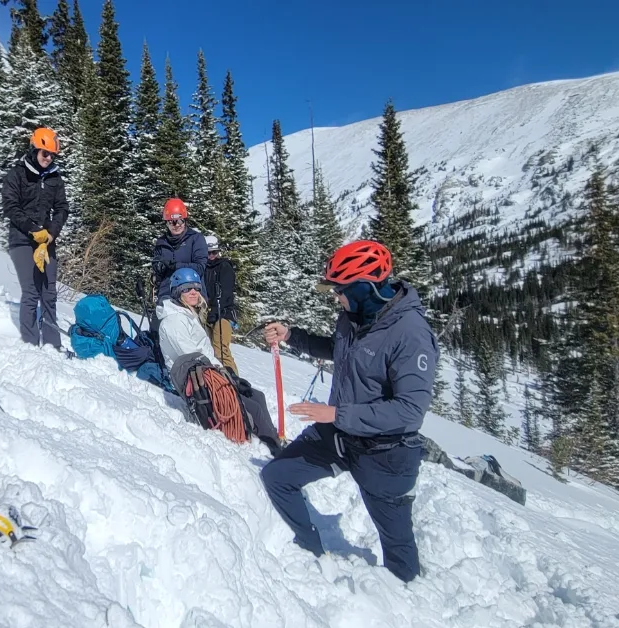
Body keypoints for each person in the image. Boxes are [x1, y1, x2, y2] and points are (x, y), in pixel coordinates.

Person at [259, 240, 438, 583]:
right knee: (277, 477)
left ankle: (408, 604)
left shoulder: (410, 334)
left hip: (384, 454)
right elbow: (339, 350)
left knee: (400, 558)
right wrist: (291, 335)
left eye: (340, 290)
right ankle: (310, 553)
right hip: (340, 436)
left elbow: (409, 412)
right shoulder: (353, 317)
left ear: (363, 289)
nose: (335, 297)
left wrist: (336, 415)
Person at [157, 269, 281, 454]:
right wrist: (223, 376)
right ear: (177, 291)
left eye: (196, 288)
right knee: (254, 408)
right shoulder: (174, 320)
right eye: (187, 288)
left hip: (208, 373)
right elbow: (191, 356)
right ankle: (275, 449)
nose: (193, 292)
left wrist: (227, 373)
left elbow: (203, 353)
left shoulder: (187, 315)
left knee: (258, 396)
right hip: (198, 381)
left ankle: (271, 438)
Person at [3, 127, 69, 351]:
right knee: (31, 291)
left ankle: (52, 345)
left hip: (46, 240)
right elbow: (10, 206)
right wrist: (32, 230)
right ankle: (30, 344)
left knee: (49, 293)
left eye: (52, 155)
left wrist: (50, 233)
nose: (48, 159)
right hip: (21, 239)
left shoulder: (55, 179)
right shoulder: (18, 174)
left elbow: (61, 208)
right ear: (34, 149)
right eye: (45, 154)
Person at [151, 198, 208, 297]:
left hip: (191, 294)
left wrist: (176, 266)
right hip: (167, 294)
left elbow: (200, 267)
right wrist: (159, 267)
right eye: (172, 222)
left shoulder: (196, 239)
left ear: (185, 221)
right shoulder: (161, 242)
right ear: (167, 223)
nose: (177, 225)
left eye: (180, 221)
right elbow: (157, 272)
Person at [202, 234, 238, 375]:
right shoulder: (202, 267)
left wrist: (215, 312)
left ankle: (234, 379)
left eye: (214, 252)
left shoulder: (224, 266)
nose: (211, 256)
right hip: (207, 312)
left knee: (220, 349)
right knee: (208, 348)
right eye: (208, 253)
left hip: (223, 313)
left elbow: (226, 293)